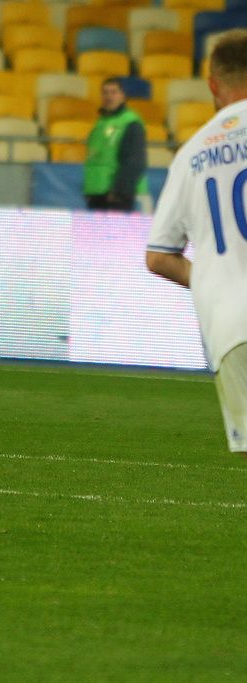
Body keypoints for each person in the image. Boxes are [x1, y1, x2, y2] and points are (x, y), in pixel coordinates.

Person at [146, 29, 247, 459]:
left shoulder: (192, 153)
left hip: (232, 326)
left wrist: (213, 278)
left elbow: (159, 257)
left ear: (212, 83)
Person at [83, 77, 148, 211]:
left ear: (123, 96)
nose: (109, 96)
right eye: (105, 93)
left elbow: (134, 161)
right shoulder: (100, 123)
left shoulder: (130, 123)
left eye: (114, 92)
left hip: (115, 196)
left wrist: (119, 192)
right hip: (97, 193)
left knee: (114, 232)